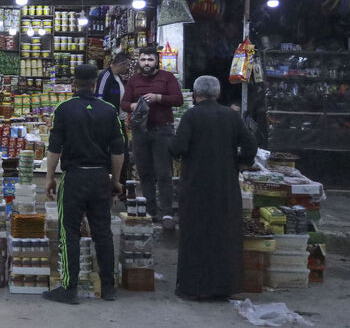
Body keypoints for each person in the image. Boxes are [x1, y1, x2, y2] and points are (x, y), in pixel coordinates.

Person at [169, 76, 257, 300]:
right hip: (224, 184)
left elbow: (178, 147)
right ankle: (223, 287)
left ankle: (194, 288)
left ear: (196, 94)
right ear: (217, 94)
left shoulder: (191, 115)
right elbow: (250, 145)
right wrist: (240, 162)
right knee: (223, 233)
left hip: (196, 184)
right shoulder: (231, 115)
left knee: (196, 234)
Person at [43, 65, 125, 305]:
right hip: (100, 177)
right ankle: (108, 287)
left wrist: (49, 176)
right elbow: (118, 152)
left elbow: (54, 148)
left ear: (74, 84)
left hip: (74, 178)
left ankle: (69, 288)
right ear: (95, 83)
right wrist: (116, 180)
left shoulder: (64, 109)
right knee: (103, 232)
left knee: (69, 232)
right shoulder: (109, 110)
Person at [121, 47, 183, 231]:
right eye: (143, 59)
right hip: (141, 132)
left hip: (162, 131)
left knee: (163, 173)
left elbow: (178, 99)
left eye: (150, 59)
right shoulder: (133, 81)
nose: (146, 62)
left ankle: (166, 213)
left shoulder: (167, 78)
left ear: (156, 61)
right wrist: (133, 105)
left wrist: (158, 97)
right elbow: (124, 103)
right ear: (138, 62)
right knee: (145, 172)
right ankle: (150, 210)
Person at [96, 53, 131, 186]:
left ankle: (119, 186)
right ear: (122, 64)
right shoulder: (106, 76)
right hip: (109, 123)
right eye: (127, 65)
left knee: (123, 155)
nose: (128, 68)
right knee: (116, 153)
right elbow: (99, 98)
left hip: (119, 121)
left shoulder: (118, 78)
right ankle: (112, 184)